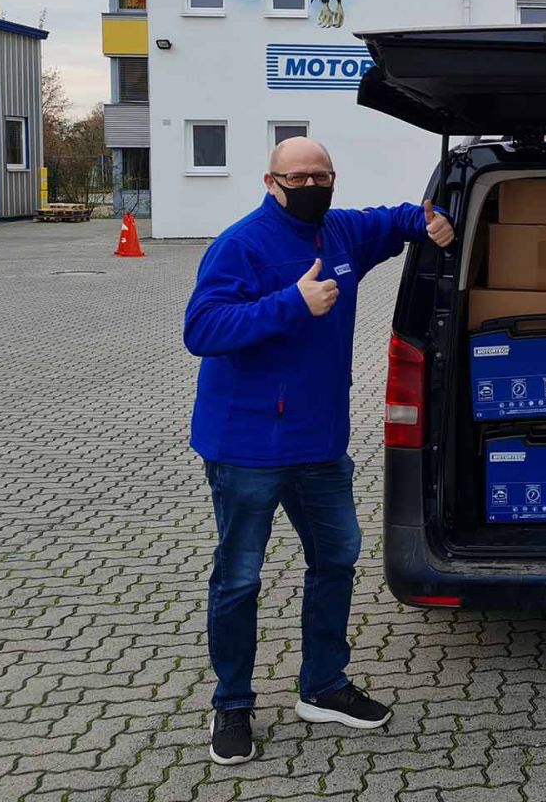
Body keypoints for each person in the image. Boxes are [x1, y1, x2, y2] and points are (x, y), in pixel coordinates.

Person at [183, 137, 455, 765]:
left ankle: (323, 686)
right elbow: (201, 329)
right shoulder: (241, 244)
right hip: (247, 448)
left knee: (337, 559)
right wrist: (291, 304)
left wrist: (429, 219)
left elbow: (395, 220)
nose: (312, 185)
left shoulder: (342, 233)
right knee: (239, 577)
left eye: (322, 175)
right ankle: (232, 706)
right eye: (298, 177)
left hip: (320, 445)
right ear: (270, 181)